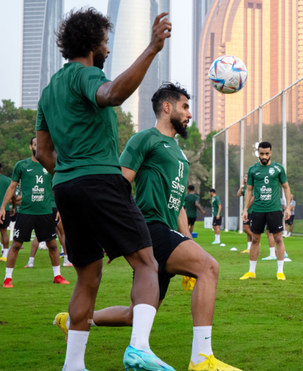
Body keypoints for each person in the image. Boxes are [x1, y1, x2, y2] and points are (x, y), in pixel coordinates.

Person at [54, 83, 240, 371]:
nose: (189, 114)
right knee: (209, 268)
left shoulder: (178, 153)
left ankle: (74, 319)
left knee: (135, 313)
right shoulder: (145, 139)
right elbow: (119, 184)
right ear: (167, 108)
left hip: (168, 232)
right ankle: (202, 359)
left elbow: (176, 202)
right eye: (185, 107)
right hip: (149, 227)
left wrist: (188, 239)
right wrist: (110, 229)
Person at [35, 8, 174, 370]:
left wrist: (69, 175)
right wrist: (153, 48)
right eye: (105, 41)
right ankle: (139, 348)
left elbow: (45, 152)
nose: (108, 48)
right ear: (93, 42)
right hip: (100, 180)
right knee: (146, 263)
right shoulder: (86, 74)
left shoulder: (49, 91)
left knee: (87, 275)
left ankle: (73, 365)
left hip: (65, 187)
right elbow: (111, 94)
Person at [0, 137, 69, 287]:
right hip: (26, 212)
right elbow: (12, 187)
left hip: (45, 212)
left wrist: (59, 208)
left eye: (41, 144)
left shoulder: (51, 165)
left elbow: (57, 187)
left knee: (52, 245)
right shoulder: (22, 165)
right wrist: (2, 206)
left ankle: (57, 276)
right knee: (16, 245)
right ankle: (7, 278)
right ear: (31, 146)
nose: (38, 147)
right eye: (36, 144)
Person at [240, 142, 292, 280]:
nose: (264, 156)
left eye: (267, 153)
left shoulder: (278, 168)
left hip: (274, 209)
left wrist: (287, 207)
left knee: (278, 238)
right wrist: (245, 209)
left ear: (271, 153)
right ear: (258, 153)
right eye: (261, 153)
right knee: (255, 238)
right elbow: (249, 190)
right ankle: (251, 271)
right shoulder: (252, 170)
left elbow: (286, 187)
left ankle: (280, 271)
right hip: (257, 210)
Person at [237, 175, 253, 253]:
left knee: (247, 229)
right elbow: (239, 194)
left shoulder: (253, 187)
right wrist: (242, 185)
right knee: (246, 229)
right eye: (244, 177)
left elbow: (252, 199)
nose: (245, 178)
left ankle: (255, 240)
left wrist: (245, 209)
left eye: (247, 176)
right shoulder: (246, 189)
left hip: (252, 211)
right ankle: (249, 248)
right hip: (247, 212)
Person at [0, 163, 12, 262]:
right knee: (4, 231)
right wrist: (14, 207)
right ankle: (5, 254)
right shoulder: (7, 180)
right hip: (5, 209)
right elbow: (12, 195)